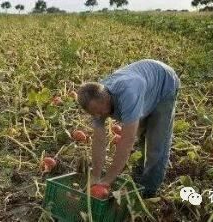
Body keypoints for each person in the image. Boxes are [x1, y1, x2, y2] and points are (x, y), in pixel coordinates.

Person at [77, 59, 180, 198]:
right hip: (145, 86)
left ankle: (148, 190)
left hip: (164, 82)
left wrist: (107, 180)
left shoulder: (128, 94)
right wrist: (96, 176)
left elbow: (127, 141)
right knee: (143, 133)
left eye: (98, 111)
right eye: (92, 113)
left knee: (157, 143)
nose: (96, 116)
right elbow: (99, 141)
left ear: (106, 99)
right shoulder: (96, 100)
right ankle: (141, 171)